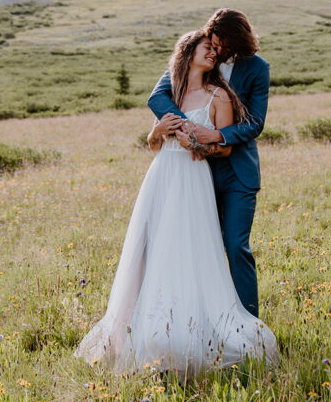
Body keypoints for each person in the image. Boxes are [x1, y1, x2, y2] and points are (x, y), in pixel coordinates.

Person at [74, 29, 278, 375]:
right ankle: (148, 328)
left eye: (216, 50)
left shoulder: (220, 97)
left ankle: (200, 327)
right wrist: (156, 133)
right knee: (153, 249)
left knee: (195, 249)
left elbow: (224, 148)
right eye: (207, 48)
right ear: (188, 52)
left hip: (193, 178)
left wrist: (195, 145)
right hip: (160, 179)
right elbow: (154, 142)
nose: (213, 53)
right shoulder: (172, 93)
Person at [148, 9, 270, 318]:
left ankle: (249, 324)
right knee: (202, 249)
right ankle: (208, 319)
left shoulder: (257, 68)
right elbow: (157, 97)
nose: (215, 50)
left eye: (221, 44)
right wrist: (188, 129)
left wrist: (215, 134)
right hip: (197, 174)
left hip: (238, 173)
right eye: (212, 43)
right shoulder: (197, 59)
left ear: (237, 41)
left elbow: (255, 123)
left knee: (235, 247)